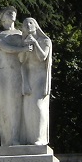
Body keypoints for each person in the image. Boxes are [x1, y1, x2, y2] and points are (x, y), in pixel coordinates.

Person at [0, 7, 28, 147]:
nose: (12, 13)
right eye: (8, 12)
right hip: (2, 73)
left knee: (16, 106)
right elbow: (5, 48)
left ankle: (15, 138)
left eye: (13, 12)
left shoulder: (20, 34)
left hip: (16, 72)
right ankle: (6, 140)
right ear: (2, 17)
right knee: (5, 106)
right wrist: (23, 49)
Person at [20, 17, 52, 145]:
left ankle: (40, 138)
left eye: (30, 23)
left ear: (36, 25)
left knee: (39, 107)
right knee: (28, 109)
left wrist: (35, 43)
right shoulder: (25, 42)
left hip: (40, 77)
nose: (28, 25)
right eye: (25, 24)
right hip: (29, 76)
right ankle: (30, 138)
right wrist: (24, 48)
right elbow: (21, 61)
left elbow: (43, 56)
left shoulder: (45, 40)